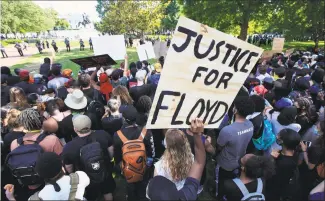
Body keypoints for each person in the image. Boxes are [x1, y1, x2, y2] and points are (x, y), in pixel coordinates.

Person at [146, 119, 206, 201]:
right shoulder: (191, 157)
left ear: (166, 145)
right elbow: (199, 162)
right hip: (182, 188)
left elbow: (156, 188)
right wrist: (197, 134)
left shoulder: (160, 166)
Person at [61, 115, 115, 201]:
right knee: (108, 192)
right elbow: (111, 152)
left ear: (75, 129)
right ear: (90, 126)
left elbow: (69, 167)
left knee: (91, 196)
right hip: (104, 170)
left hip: (85, 178)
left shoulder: (69, 147)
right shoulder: (103, 134)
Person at [4, 152, 90, 201]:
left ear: (39, 174)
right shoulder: (79, 177)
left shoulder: (36, 198)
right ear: (62, 167)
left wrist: (11, 198)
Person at [215, 96, 255, 199]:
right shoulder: (251, 125)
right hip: (239, 161)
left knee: (220, 183)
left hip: (225, 163)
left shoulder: (227, 130)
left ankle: (219, 196)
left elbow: (219, 146)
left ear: (235, 109)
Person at [114, 105, 155, 201]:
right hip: (144, 168)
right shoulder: (146, 132)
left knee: (130, 189)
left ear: (124, 119)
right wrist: (148, 165)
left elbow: (117, 156)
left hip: (127, 169)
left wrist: (121, 168)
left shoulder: (117, 135)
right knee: (143, 190)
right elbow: (152, 152)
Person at [266, 129, 301, 200]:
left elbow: (270, 175)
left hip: (274, 190)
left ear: (282, 141)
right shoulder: (294, 153)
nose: (276, 136)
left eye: (279, 136)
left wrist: (271, 159)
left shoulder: (284, 163)